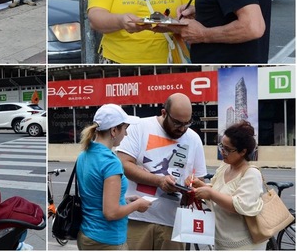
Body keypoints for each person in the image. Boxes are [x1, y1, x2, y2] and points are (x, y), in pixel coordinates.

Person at [116, 93, 207, 250]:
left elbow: (199, 179)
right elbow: (123, 164)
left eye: (188, 123)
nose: (183, 129)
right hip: (137, 219)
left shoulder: (194, 139)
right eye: (177, 123)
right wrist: (159, 181)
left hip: (173, 224)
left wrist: (191, 190)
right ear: (164, 113)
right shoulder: (140, 127)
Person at [77, 104, 152, 250]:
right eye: (125, 129)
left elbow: (96, 196)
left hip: (86, 234)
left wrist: (125, 200)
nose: (126, 134)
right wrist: (137, 205)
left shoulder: (84, 154)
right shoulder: (111, 162)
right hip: (107, 240)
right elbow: (111, 213)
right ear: (114, 131)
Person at [188, 121, 265, 250]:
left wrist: (210, 193)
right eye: (221, 146)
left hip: (243, 245)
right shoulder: (225, 167)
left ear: (243, 152)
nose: (222, 152)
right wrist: (201, 185)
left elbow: (241, 205)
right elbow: (217, 192)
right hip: (221, 242)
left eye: (228, 149)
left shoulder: (251, 174)